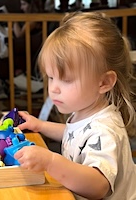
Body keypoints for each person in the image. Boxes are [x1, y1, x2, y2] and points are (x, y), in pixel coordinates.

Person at [14, 12, 136, 199]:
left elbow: (98, 185)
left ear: (104, 82)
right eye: (51, 77)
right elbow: (74, 134)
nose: (54, 88)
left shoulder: (105, 130)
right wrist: (39, 125)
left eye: (67, 80)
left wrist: (51, 162)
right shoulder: (87, 114)